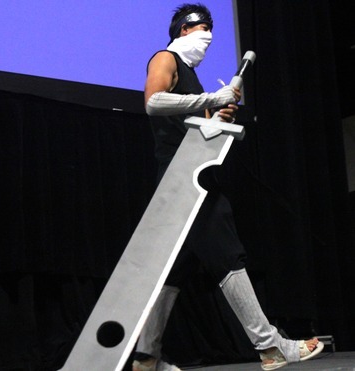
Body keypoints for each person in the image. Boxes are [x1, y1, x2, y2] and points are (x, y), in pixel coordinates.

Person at [132, 3, 324, 371]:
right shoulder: (164, 58)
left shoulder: (192, 76)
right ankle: (270, 347)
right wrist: (212, 101)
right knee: (227, 256)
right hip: (187, 182)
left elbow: (199, 130)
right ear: (184, 30)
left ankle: (146, 359)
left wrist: (219, 118)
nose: (208, 36)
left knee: (173, 271)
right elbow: (154, 102)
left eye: (212, 30)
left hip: (190, 175)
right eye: (202, 27)